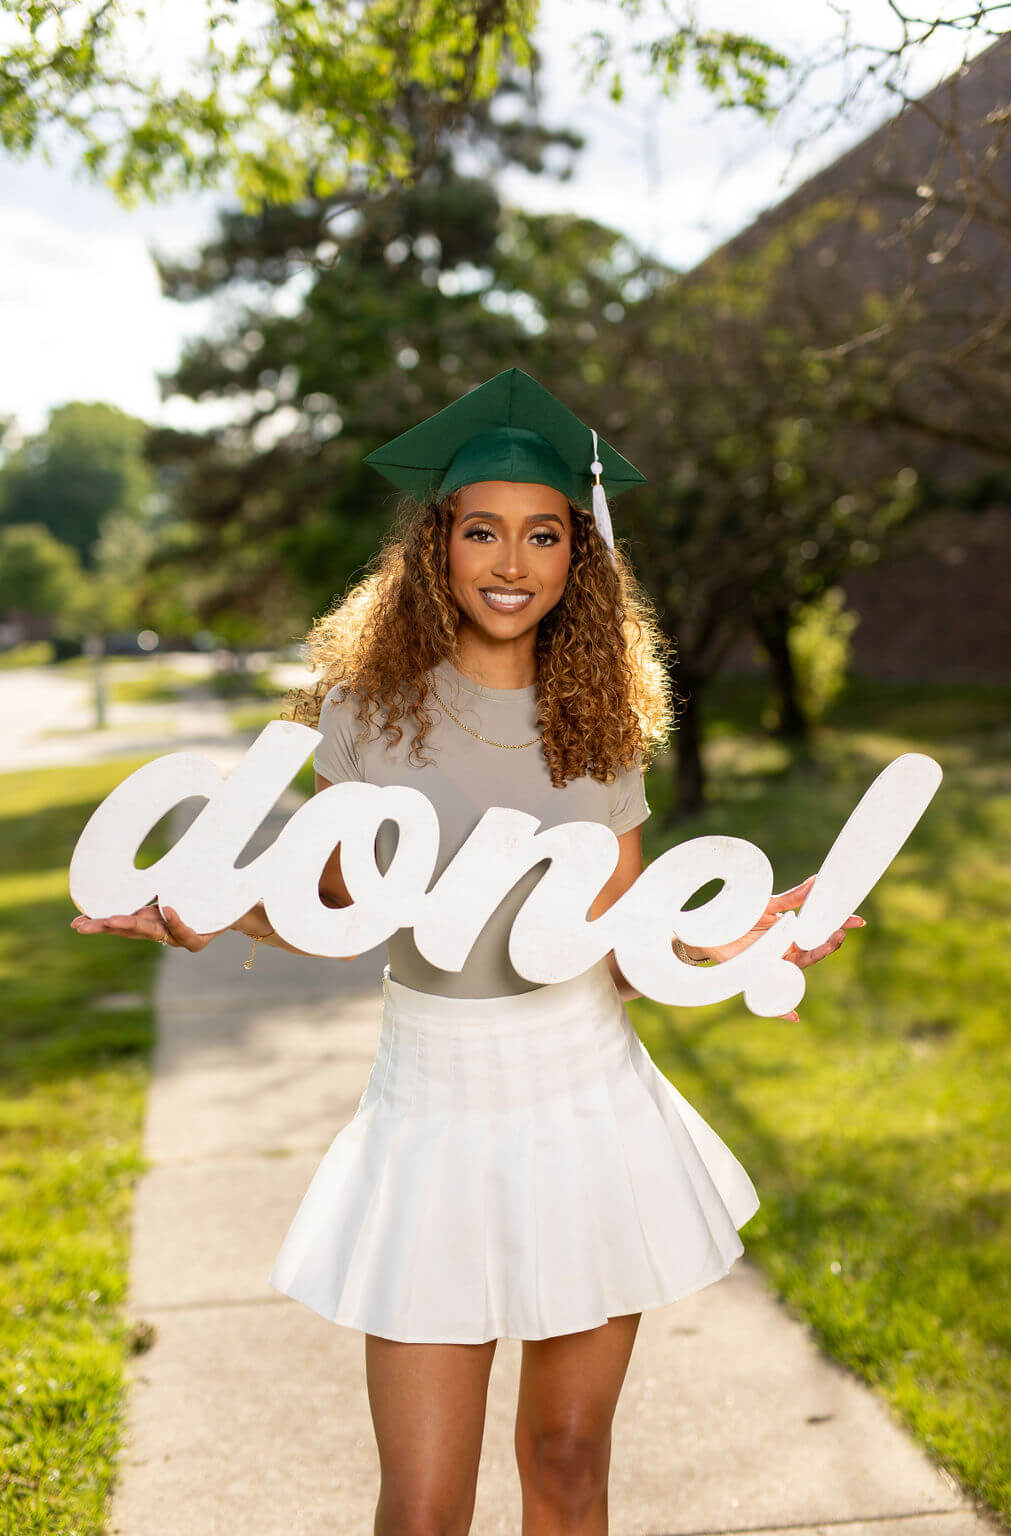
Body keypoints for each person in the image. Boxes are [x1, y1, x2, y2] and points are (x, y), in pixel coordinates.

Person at [71, 366, 864, 1536]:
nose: (511, 561)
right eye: (481, 529)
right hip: (430, 1107)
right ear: (434, 545)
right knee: (425, 1505)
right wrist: (209, 906)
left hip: (584, 1099)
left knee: (568, 1460)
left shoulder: (601, 723)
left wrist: (744, 934)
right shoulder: (364, 711)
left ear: (578, 556)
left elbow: (619, 943)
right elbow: (327, 906)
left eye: (544, 533)